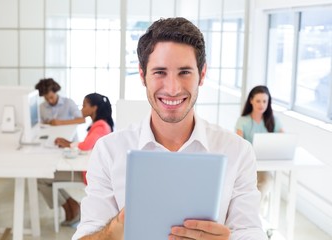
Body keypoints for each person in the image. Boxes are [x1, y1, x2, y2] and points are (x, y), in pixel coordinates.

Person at [73, 17, 267, 240]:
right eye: (159, 72)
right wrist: (113, 231)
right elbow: (85, 235)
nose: (173, 89)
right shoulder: (109, 151)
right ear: (142, 74)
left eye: (184, 72)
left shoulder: (238, 151)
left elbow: (251, 232)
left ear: (202, 75)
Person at [38, 93, 114, 226]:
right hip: (88, 170)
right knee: (45, 178)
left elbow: (85, 146)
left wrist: (68, 144)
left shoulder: (101, 126)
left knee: (42, 178)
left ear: (94, 108)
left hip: (88, 175)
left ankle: (71, 206)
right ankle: (72, 206)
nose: (81, 109)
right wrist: (68, 143)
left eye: (84, 105)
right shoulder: (101, 124)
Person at [235, 85, 283, 209]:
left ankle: (254, 212)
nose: (261, 104)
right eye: (258, 101)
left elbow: (283, 140)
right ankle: (255, 210)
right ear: (251, 101)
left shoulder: (274, 121)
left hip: (264, 165)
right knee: (250, 186)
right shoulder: (243, 121)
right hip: (247, 165)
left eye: (264, 101)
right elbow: (238, 144)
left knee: (267, 181)